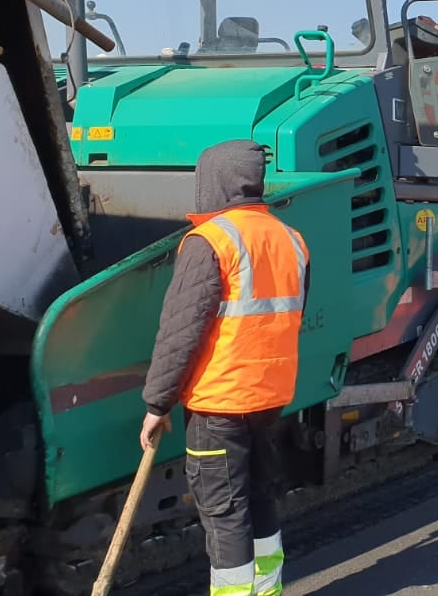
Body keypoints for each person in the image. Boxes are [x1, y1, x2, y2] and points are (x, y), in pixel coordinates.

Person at [138, 140, 310, 596]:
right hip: (269, 397)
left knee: (224, 511)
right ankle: (268, 590)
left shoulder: (210, 241)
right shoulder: (291, 240)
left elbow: (181, 331)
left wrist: (157, 403)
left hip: (219, 403)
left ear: (214, 182)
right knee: (260, 496)